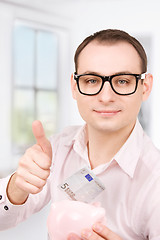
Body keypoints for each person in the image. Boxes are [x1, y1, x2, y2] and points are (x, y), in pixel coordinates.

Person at [0, 28, 160, 240]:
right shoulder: (56, 149)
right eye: (91, 80)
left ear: (145, 87)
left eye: (122, 81)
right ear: (75, 87)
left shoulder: (155, 181)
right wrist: (16, 186)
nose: (105, 97)